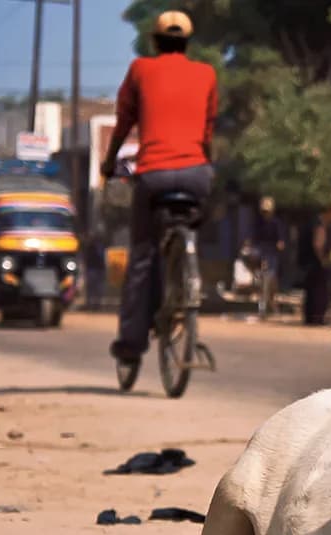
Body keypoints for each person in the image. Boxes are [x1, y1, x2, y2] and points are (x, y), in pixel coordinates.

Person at [101, 10, 218, 364]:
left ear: (154, 41)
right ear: (187, 42)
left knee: (142, 255)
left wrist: (109, 161)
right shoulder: (207, 73)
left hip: (154, 176)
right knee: (189, 224)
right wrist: (202, 162)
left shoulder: (141, 70)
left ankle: (132, 344)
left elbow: (124, 120)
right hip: (197, 173)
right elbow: (208, 129)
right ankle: (186, 269)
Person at [299, 205, 331, 325]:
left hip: (308, 263)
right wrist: (323, 260)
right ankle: (317, 318)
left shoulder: (312, 222)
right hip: (316, 264)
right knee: (319, 291)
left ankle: (310, 318)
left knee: (311, 291)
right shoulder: (319, 224)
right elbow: (318, 244)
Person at [252, 196, 285, 315]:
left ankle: (272, 304)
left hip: (272, 254)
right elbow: (254, 239)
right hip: (261, 253)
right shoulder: (258, 222)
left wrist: (280, 244)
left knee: (272, 281)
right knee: (260, 280)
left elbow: (281, 241)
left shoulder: (276, 223)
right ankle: (262, 306)